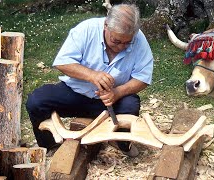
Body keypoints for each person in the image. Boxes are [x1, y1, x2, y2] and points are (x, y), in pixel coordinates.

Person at [26, 4, 154, 157]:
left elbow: (143, 77)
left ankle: (121, 143)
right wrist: (92, 75)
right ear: (106, 25)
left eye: (127, 43)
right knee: (36, 101)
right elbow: (62, 62)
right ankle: (50, 144)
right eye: (116, 41)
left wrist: (118, 92)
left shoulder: (139, 39)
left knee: (130, 103)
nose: (121, 47)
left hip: (110, 101)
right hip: (75, 93)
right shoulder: (86, 30)